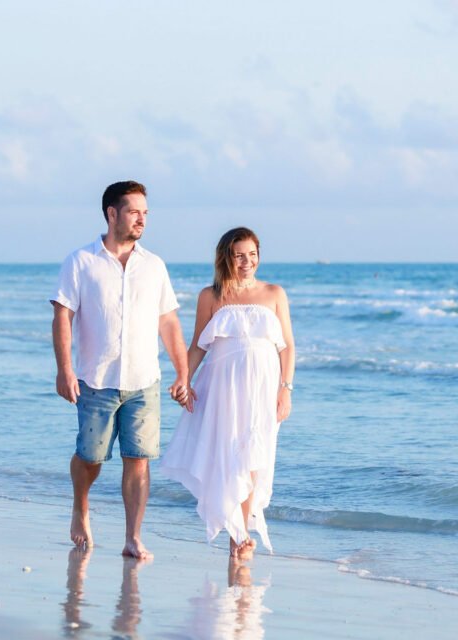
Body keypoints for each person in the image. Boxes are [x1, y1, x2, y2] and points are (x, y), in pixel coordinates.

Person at [50, 180, 190, 558]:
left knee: (139, 459)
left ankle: (133, 538)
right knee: (90, 457)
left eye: (145, 213)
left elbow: (169, 323)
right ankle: (81, 507)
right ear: (112, 214)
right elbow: (63, 316)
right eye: (134, 212)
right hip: (96, 379)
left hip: (144, 380)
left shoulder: (154, 266)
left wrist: (183, 373)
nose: (142, 219)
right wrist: (64, 370)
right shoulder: (80, 261)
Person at [160, 227, 295, 559]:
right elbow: (197, 347)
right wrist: (183, 378)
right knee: (227, 455)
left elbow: (287, 347)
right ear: (226, 257)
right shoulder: (211, 296)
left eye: (252, 255)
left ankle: (241, 533)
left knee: (252, 458)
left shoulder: (275, 293)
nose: (247, 262)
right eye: (239, 255)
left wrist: (286, 389)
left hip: (263, 388)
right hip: (221, 388)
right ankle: (237, 536)